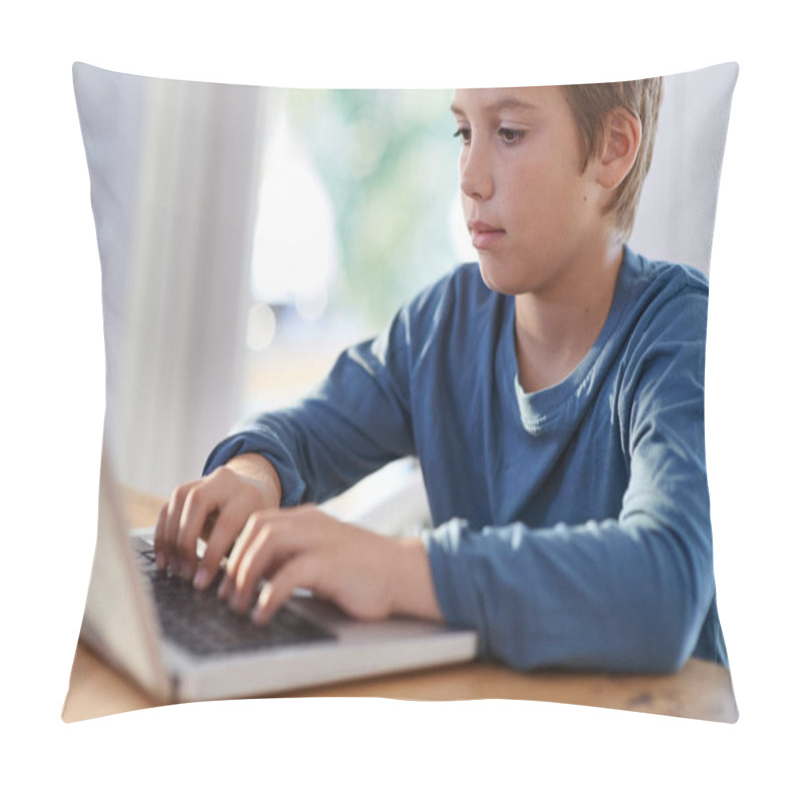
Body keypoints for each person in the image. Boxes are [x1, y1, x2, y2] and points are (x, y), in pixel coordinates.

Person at [154, 81, 728, 674]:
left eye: (508, 133)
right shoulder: (445, 325)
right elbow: (304, 432)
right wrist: (254, 476)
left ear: (612, 148)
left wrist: (395, 569)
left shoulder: (683, 334)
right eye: (464, 132)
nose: (471, 176)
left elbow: (663, 587)